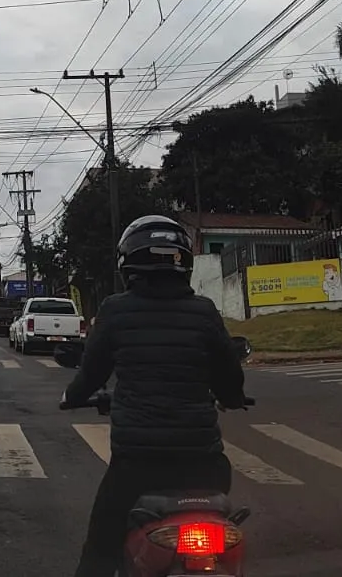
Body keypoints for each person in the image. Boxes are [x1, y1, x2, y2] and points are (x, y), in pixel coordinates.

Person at [63, 215, 246, 577]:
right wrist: (233, 398)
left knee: (100, 549)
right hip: (203, 461)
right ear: (184, 264)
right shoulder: (204, 311)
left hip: (137, 463)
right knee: (223, 528)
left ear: (128, 265)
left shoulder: (114, 310)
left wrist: (72, 395)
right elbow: (230, 379)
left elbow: (91, 375)